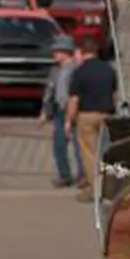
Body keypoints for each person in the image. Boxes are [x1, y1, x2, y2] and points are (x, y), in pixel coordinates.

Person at [66, 40, 118, 202]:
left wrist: (69, 120)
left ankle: (94, 188)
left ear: (82, 52)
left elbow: (74, 99)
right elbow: (114, 92)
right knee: (106, 152)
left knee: (89, 153)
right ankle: (110, 186)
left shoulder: (80, 72)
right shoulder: (109, 69)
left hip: (87, 114)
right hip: (107, 114)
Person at [39, 36, 85, 188]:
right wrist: (45, 112)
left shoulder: (76, 69)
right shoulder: (55, 70)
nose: (54, 54)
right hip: (59, 110)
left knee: (79, 144)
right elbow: (49, 91)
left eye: (57, 51)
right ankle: (64, 175)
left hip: (75, 110)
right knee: (59, 144)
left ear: (66, 52)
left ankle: (83, 175)